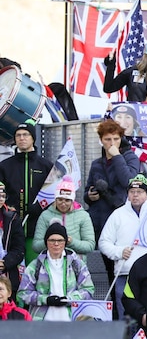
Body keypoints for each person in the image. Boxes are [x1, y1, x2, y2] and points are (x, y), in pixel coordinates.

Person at [98, 175, 147, 319]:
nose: (135, 195)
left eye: (139, 191)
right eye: (132, 191)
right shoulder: (118, 214)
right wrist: (119, 252)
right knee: (125, 319)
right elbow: (103, 242)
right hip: (124, 274)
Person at [17, 222, 94, 321]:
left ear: (65, 242)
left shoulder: (77, 263)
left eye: (60, 240)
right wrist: (46, 300)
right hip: (41, 321)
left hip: (73, 320)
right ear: (46, 242)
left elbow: (88, 290)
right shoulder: (35, 265)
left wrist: (68, 299)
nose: (56, 244)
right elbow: (23, 293)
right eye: (52, 240)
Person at [0, 121, 54, 262]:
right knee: (11, 273)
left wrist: (39, 206)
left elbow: (54, 195)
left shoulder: (46, 166)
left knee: (35, 270)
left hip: (37, 230)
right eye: (18, 135)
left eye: (26, 135)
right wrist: (7, 207)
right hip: (11, 228)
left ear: (33, 138)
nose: (22, 138)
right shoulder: (4, 166)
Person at [84, 119, 140, 253]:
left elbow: (129, 181)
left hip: (120, 216)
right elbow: (86, 193)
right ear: (101, 140)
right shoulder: (96, 164)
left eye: (116, 139)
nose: (112, 143)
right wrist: (90, 196)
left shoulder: (130, 158)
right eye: (108, 139)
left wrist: (117, 156)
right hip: (99, 217)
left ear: (121, 139)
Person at [32, 180, 95, 257]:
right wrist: (51, 241)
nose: (63, 203)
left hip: (75, 263)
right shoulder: (45, 215)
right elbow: (36, 246)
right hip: (49, 261)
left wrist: (71, 242)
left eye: (67, 200)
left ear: (72, 200)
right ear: (55, 199)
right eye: (60, 199)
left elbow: (90, 246)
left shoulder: (83, 216)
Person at [0, 183, 25, 298]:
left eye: (3, 196)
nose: (0, 199)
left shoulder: (13, 218)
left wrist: (5, 263)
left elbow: (19, 249)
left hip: (8, 275)